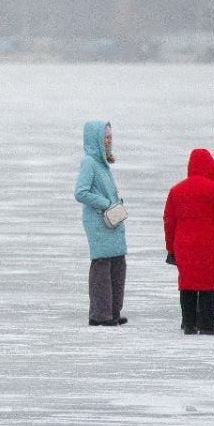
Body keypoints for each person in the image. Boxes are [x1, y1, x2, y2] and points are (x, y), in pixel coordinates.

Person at [163, 148, 214, 335]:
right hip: (209, 245)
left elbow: (168, 220)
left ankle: (188, 323)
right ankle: (206, 323)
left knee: (187, 283)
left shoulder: (176, 190)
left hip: (184, 245)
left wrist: (170, 247)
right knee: (208, 284)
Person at [74, 121, 128, 327]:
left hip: (112, 222)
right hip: (99, 222)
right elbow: (81, 192)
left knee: (117, 263)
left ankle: (113, 311)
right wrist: (106, 204)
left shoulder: (102, 163)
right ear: (94, 140)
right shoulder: (89, 162)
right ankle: (100, 314)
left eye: (110, 138)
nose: (108, 141)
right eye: (105, 137)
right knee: (102, 265)